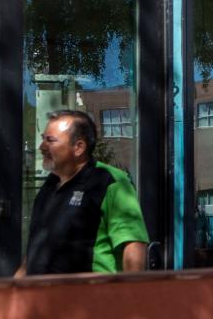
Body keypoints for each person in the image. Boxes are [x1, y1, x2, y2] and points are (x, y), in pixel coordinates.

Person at [16, 110, 149, 276]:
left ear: (78, 147)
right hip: (40, 297)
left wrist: (131, 296)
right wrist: (15, 287)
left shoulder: (110, 181)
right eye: (43, 139)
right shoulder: (49, 185)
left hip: (90, 296)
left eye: (50, 140)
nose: (42, 147)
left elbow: (133, 245)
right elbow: (36, 250)